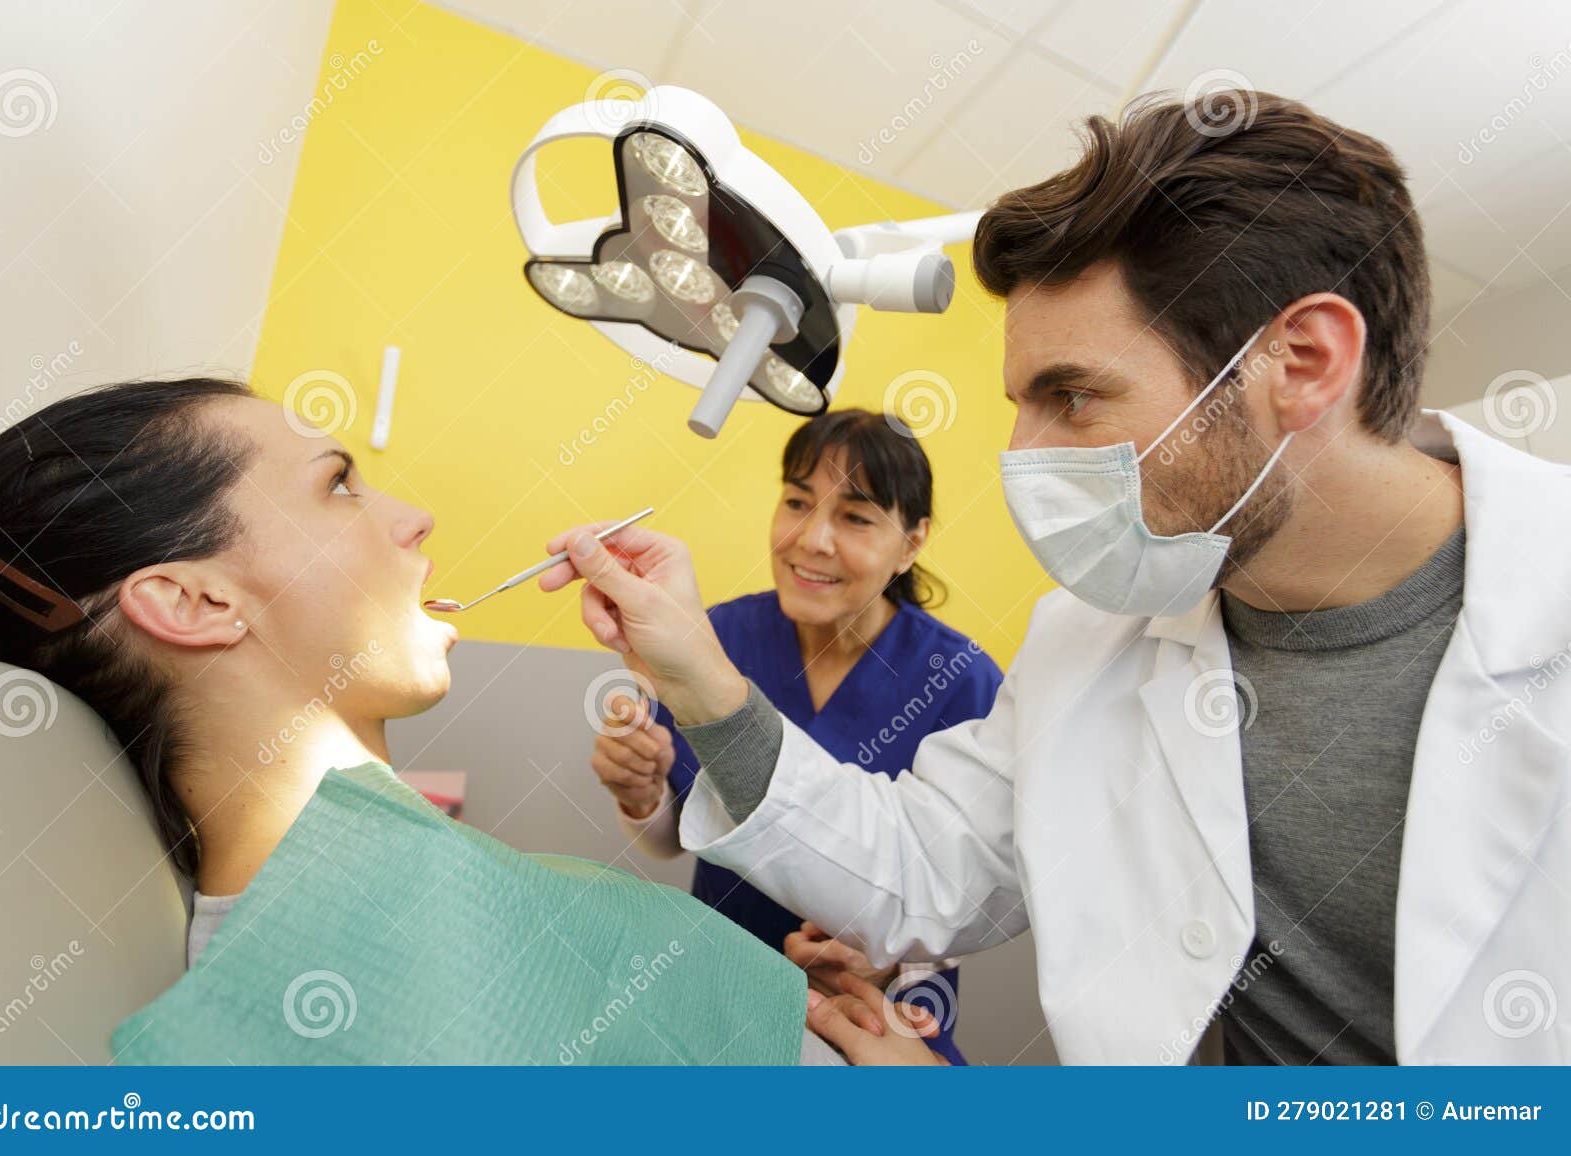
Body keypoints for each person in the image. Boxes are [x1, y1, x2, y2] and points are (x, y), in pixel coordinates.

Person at [541, 91, 1569, 1064]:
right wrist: (696, 677)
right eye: (1020, 404)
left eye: (1070, 395)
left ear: (1300, 361)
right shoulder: (1087, 640)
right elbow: (914, 868)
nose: (1023, 456)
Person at [0, 378, 940, 1065]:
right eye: (338, 483)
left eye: (854, 516)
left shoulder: (381, 890)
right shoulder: (325, 1001)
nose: (415, 515)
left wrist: (800, 1020)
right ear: (190, 601)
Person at [589, 408, 1002, 1065]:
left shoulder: (960, 680)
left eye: (856, 518)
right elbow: (670, 841)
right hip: (726, 995)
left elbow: (985, 879)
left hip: (881, 1023)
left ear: (913, 541)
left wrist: (889, 961)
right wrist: (641, 793)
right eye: (797, 502)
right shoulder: (717, 642)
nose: (812, 539)